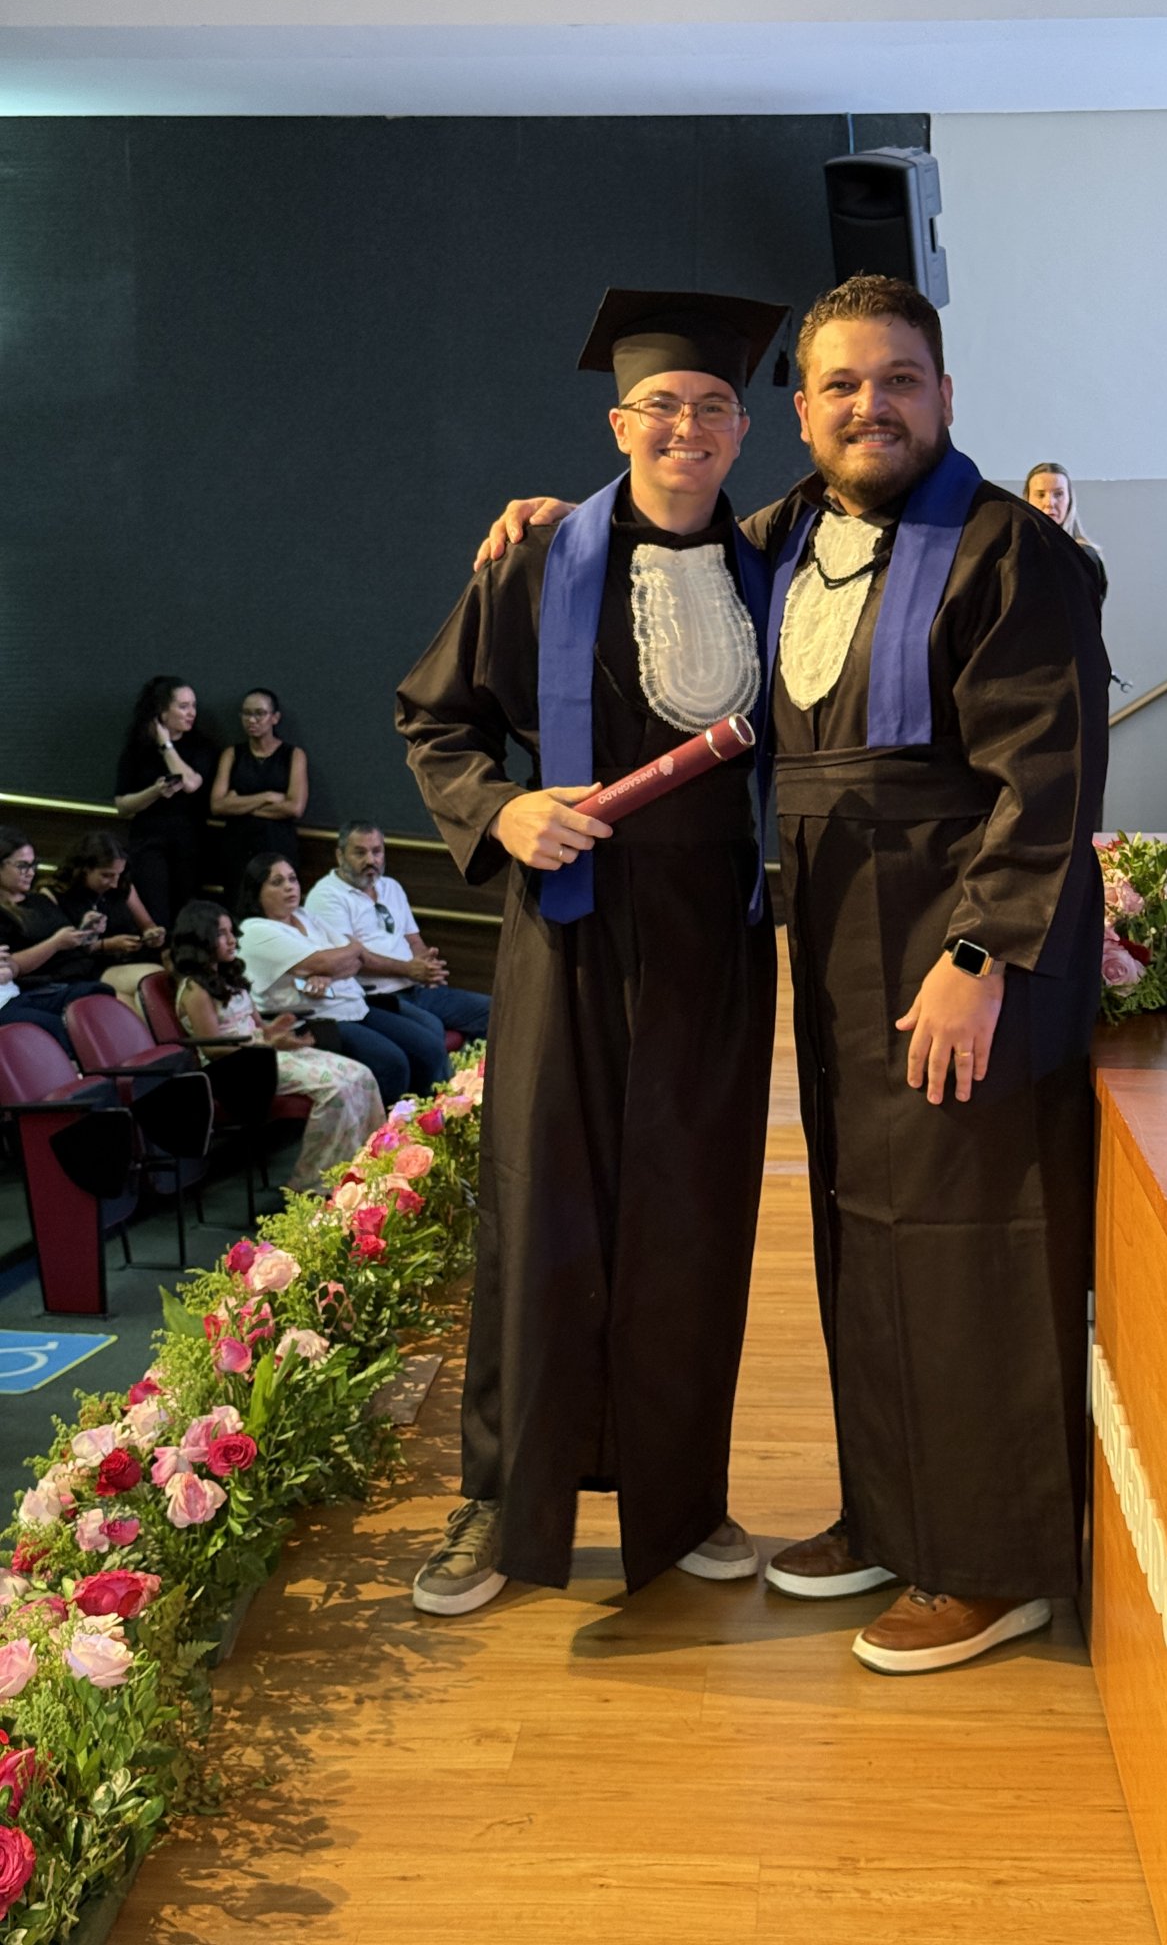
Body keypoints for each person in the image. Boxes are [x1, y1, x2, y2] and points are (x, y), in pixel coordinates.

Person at [482, 276, 1110, 1674]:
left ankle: (992, 1563)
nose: (870, 405)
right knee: (866, 1229)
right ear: (805, 413)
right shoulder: (787, 538)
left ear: (946, 396)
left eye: (899, 380)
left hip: (956, 934)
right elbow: (664, 546)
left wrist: (978, 954)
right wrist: (562, 527)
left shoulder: (1011, 550)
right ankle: (892, 1513)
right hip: (833, 936)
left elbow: (1053, 775)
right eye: (841, 385)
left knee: (968, 1238)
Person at [395, 287, 783, 1616]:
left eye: (714, 406)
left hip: (715, 936)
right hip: (569, 921)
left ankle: (683, 1502)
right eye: (661, 405)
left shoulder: (777, 566)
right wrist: (502, 808)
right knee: (542, 1211)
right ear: (620, 423)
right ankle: (502, 1499)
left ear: (744, 430)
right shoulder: (538, 562)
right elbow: (436, 719)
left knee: (694, 1217)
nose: (688, 426)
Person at [171, 900, 385, 1190]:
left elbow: (260, 1029)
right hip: (237, 1068)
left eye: (231, 931)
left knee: (361, 1074)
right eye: (222, 934)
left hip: (262, 1053)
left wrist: (278, 1031)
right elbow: (211, 1048)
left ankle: (365, 1167)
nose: (232, 940)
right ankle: (314, 1184)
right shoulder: (195, 989)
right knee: (335, 1088)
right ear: (200, 938)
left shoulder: (229, 978)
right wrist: (266, 1045)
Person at [234, 852, 451, 1104]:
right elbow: (330, 959)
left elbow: (356, 958)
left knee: (430, 1049)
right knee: (392, 1062)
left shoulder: (305, 916)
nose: (289, 887)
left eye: (292, 879)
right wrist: (339, 958)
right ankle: (387, 1126)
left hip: (354, 1005)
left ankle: (425, 1117)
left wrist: (328, 971)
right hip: (314, 1018)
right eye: (277, 882)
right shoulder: (255, 931)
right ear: (256, 892)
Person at [303, 821, 490, 1044]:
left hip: (417, 987)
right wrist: (408, 969)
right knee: (431, 1030)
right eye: (360, 853)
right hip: (377, 996)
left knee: (495, 1011)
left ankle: (478, 1067)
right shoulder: (327, 896)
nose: (371, 860)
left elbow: (413, 940)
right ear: (340, 855)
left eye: (376, 852)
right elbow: (351, 959)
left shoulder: (391, 886)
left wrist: (426, 965)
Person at [0, 827, 112, 1056]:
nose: (30, 872)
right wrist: (55, 944)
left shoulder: (39, 900)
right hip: (39, 984)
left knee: (100, 995)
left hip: (72, 974)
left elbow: (66, 937)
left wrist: (85, 931)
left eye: (33, 865)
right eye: (22, 866)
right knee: (63, 1028)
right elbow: (12, 966)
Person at [112, 677, 216, 926]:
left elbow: (190, 783)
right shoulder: (137, 748)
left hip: (189, 840)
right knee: (155, 913)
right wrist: (155, 791)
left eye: (193, 706)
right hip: (148, 841)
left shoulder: (201, 746)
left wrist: (166, 744)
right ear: (162, 711)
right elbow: (122, 805)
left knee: (186, 913)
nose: (191, 713)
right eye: (183, 706)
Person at [43, 829, 166, 1004]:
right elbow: (61, 950)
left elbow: (147, 924)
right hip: (88, 967)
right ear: (85, 869)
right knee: (151, 980)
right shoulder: (57, 894)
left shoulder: (122, 887)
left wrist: (153, 935)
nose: (114, 883)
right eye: (106, 875)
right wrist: (106, 945)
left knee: (161, 980)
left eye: (118, 874)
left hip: (131, 959)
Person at [211, 687, 309, 901]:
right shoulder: (232, 754)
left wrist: (237, 804)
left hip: (278, 844)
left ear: (275, 718)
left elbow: (294, 807)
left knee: (276, 905)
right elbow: (217, 805)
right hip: (238, 846)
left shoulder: (293, 754)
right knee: (238, 904)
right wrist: (266, 797)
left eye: (260, 713)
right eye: (246, 713)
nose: (252, 720)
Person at [1024, 461, 1107, 604]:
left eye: (1058, 494)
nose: (1049, 503)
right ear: (1027, 499)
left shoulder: (1085, 557)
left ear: (1070, 499)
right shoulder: (1012, 553)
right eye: (1040, 494)